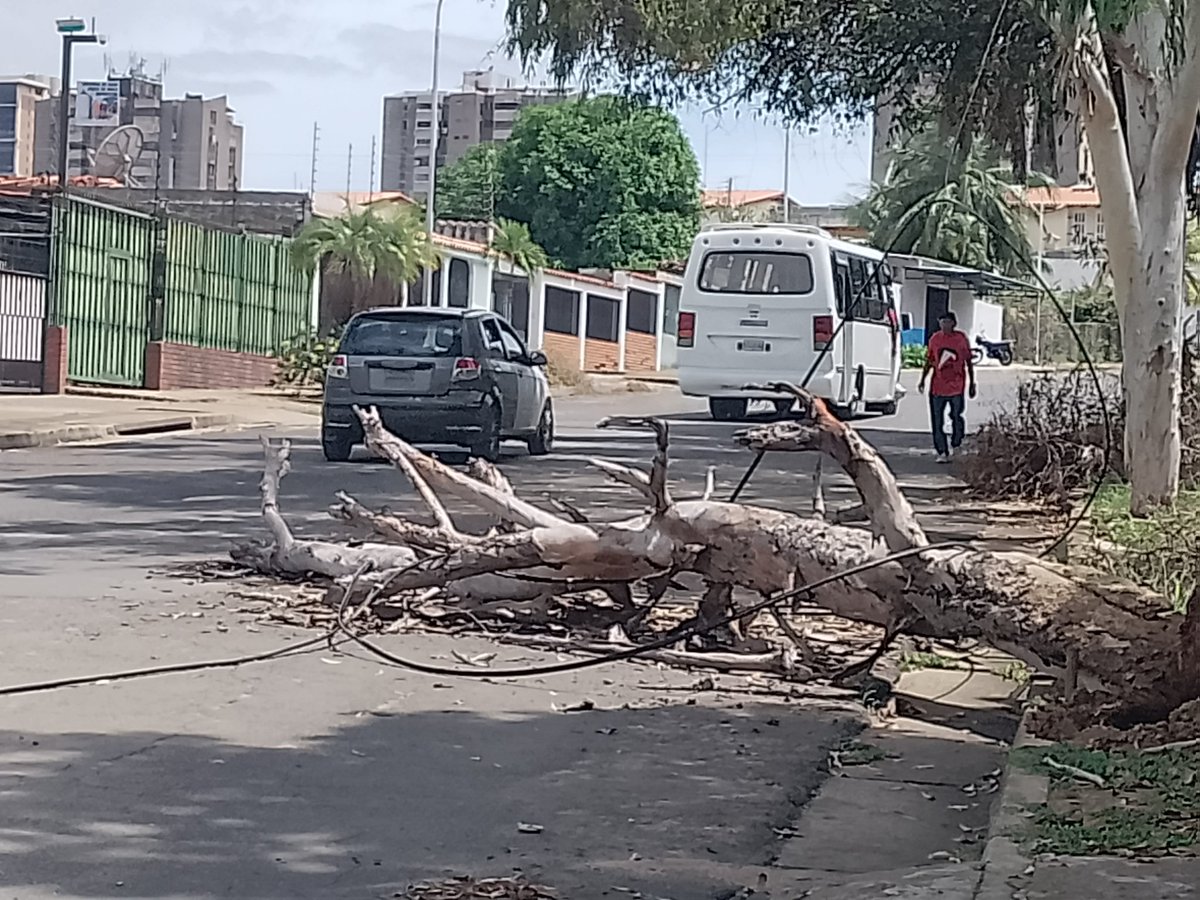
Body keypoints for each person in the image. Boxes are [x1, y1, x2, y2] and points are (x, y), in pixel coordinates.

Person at [918, 310, 976, 463]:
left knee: (956, 415)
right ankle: (942, 451)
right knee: (937, 421)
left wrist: (972, 383)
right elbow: (929, 360)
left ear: (953, 323)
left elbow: (968, 361)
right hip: (937, 387)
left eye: (947, 322)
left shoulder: (960, 338)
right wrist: (923, 380)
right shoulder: (935, 339)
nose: (944, 325)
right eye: (942, 322)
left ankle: (957, 442)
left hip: (957, 386)